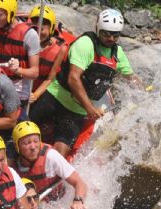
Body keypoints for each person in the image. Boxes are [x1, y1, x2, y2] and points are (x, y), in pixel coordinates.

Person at [29, 9, 142, 157]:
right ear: (98, 29)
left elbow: (131, 77)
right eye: (106, 33)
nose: (111, 38)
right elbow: (73, 78)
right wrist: (90, 108)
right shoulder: (85, 44)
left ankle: (44, 172)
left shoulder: (117, 53)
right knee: (24, 133)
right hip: (55, 97)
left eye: (115, 35)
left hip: (76, 112)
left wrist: (144, 91)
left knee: (59, 154)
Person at [12, 121, 87, 209]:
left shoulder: (51, 156)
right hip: (37, 207)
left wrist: (78, 201)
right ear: (17, 146)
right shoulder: (14, 167)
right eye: (27, 143)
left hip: (59, 203)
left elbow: (80, 183)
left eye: (36, 141)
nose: (33, 147)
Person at [27, 5, 68, 105]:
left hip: (41, 92)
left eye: (41, 30)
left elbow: (50, 79)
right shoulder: (25, 40)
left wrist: (35, 95)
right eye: (35, 30)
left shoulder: (60, 49)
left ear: (51, 28)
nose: (37, 34)